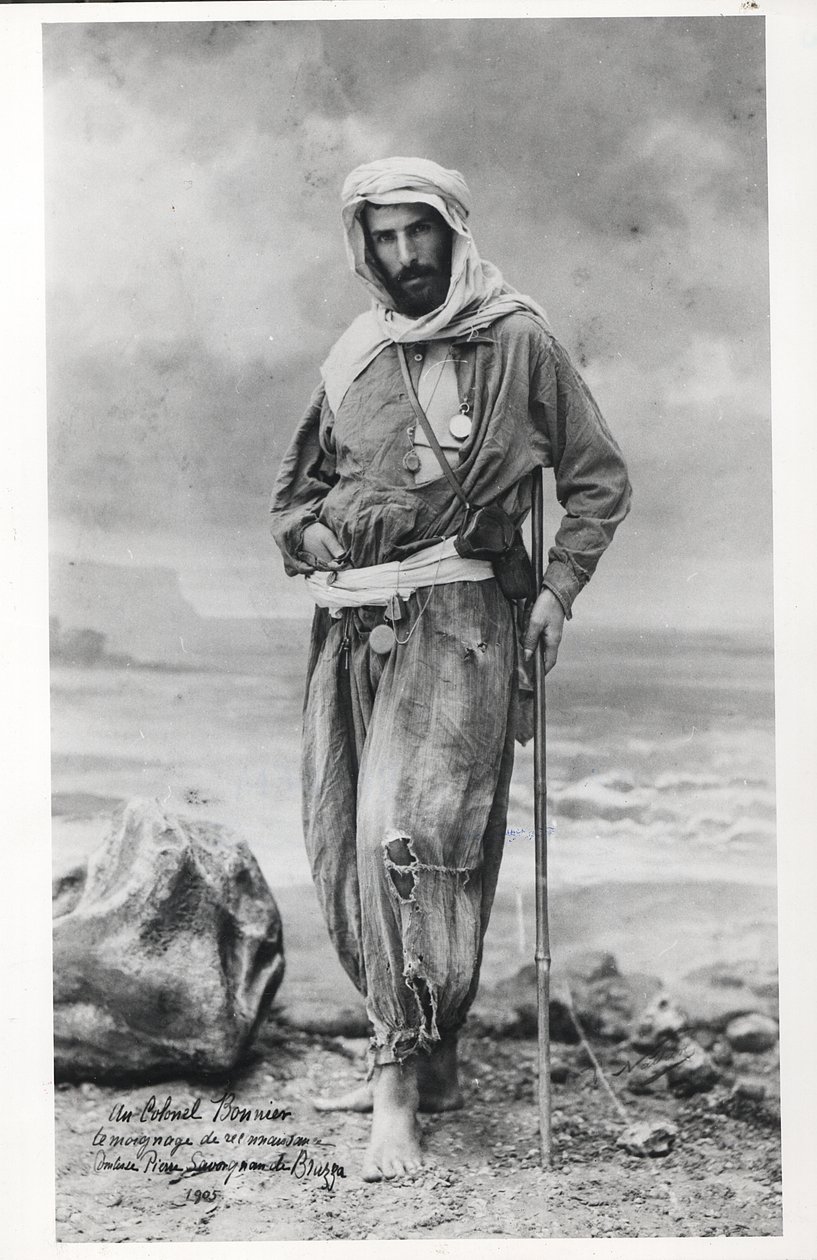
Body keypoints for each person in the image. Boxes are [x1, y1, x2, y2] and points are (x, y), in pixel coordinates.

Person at [269, 157, 631, 1181]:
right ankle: (433, 1053)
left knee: (413, 836)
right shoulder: (355, 351)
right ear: (363, 246)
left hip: (463, 624)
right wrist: (311, 537)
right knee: (345, 843)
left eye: (417, 231)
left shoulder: (517, 340)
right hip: (350, 626)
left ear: (453, 230)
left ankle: (395, 1088)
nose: (402, 255)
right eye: (381, 237)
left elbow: (597, 479)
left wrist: (557, 590)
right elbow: (294, 495)